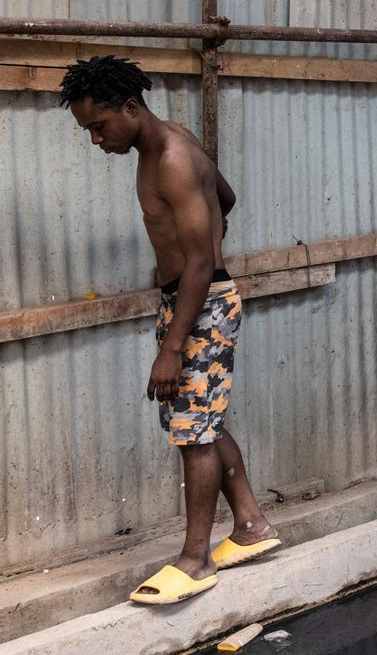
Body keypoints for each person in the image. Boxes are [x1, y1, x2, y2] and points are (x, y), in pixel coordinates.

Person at [60, 56, 281, 603]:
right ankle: (251, 526)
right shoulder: (165, 144)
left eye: (99, 127)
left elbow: (202, 262)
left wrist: (173, 346)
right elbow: (226, 199)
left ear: (130, 108)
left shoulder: (174, 158)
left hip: (200, 304)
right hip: (189, 300)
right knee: (199, 421)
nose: (96, 140)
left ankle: (195, 559)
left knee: (193, 434)